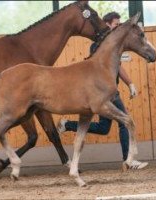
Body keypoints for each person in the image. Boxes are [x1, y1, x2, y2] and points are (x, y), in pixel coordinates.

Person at [57, 12, 148, 170]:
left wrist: (130, 83)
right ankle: (129, 159)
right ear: (107, 24)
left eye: (119, 25)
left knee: (103, 128)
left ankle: (67, 125)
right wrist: (129, 83)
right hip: (102, 93)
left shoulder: (115, 45)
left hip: (111, 92)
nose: (118, 27)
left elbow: (118, 67)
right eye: (116, 24)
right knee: (124, 121)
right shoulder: (98, 45)